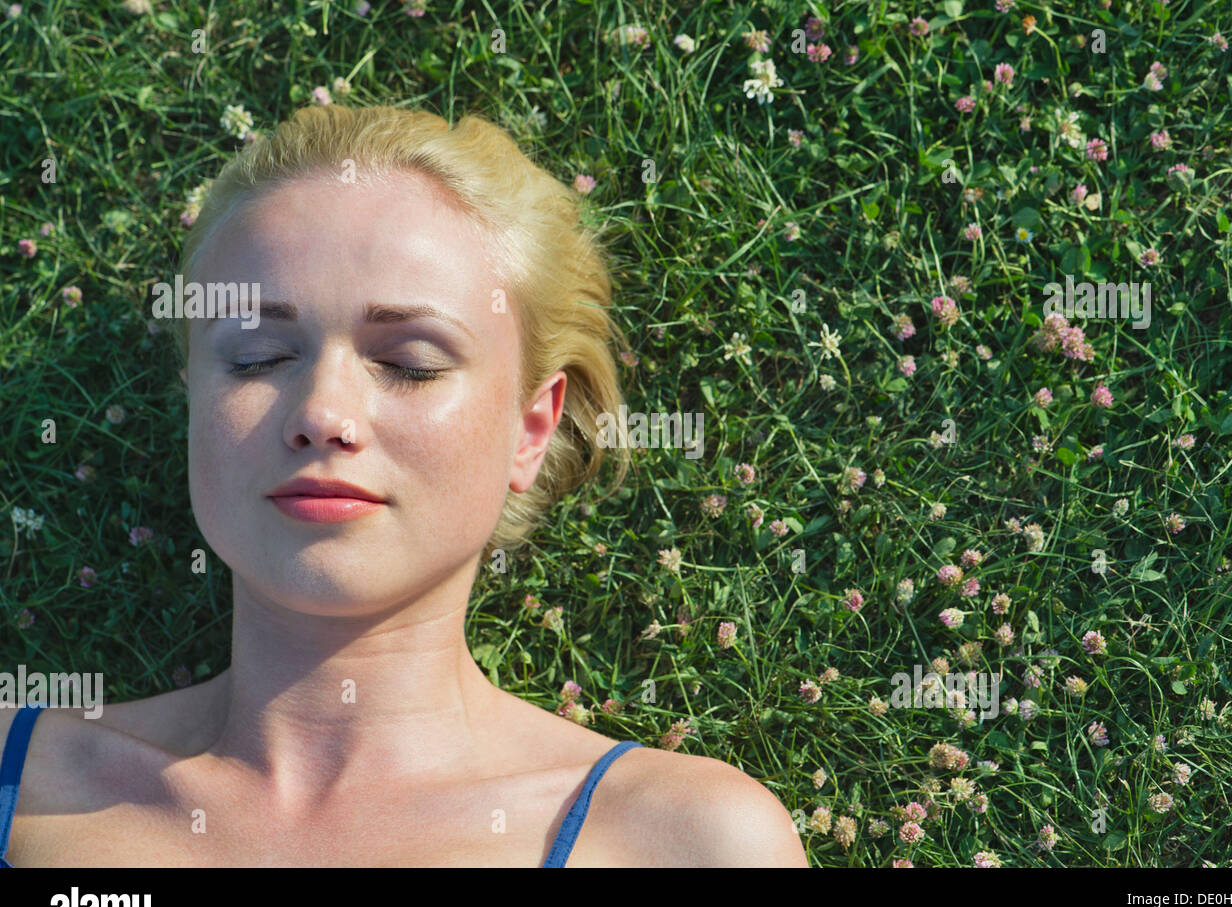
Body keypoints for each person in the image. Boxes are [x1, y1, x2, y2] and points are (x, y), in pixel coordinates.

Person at [0, 105, 809, 867]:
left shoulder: (680, 844)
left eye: (409, 363)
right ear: (194, 399)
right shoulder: (18, 786)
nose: (322, 413)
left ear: (530, 429)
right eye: (257, 357)